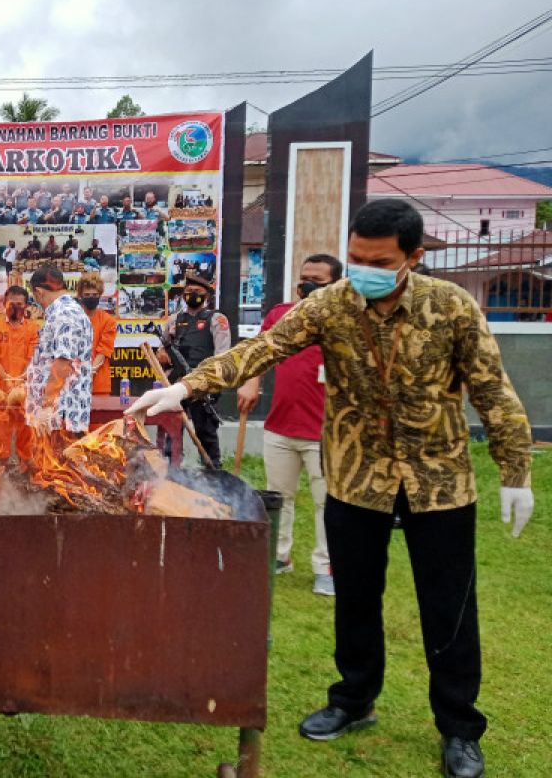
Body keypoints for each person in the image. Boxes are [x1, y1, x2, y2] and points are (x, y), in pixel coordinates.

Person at [127, 199, 535, 778]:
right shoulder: (331, 305)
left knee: (448, 609)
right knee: (357, 600)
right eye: (355, 258)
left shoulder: (451, 308)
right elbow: (260, 349)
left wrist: (515, 471)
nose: (363, 270)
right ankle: (352, 700)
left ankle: (460, 728)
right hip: (356, 477)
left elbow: (493, 391)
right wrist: (187, 387)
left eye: (378, 261)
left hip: (438, 483)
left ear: (413, 258)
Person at [236, 253, 342, 595]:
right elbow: (259, 352)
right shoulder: (280, 315)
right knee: (279, 495)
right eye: (304, 277)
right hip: (280, 426)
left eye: (318, 280)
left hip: (326, 432)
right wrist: (251, 381)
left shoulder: (345, 321)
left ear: (335, 285)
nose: (307, 284)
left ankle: (326, 566)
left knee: (328, 502)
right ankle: (279, 556)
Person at [156, 274, 230, 466]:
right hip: (177, 384)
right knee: (172, 433)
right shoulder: (174, 320)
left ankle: (213, 476)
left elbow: (222, 355)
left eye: (197, 292)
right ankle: (171, 476)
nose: (192, 295)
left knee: (205, 433)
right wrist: (162, 354)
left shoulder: (216, 319)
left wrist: (213, 384)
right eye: (188, 292)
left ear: (206, 295)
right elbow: (162, 349)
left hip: (203, 384)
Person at [25, 264, 94, 437]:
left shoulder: (65, 314)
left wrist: (47, 406)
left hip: (60, 415)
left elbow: (63, 362)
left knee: (58, 462)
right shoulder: (65, 311)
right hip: (58, 412)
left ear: (39, 292)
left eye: (36, 296)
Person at [0, 285, 40, 460]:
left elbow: (34, 359)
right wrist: (7, 378)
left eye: (19, 304)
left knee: (26, 430)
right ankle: (3, 468)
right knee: (2, 430)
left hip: (25, 389)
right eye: (11, 304)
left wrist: (22, 380)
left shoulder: (33, 329)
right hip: (0, 388)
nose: (15, 307)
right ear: (4, 304)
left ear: (26, 306)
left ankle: (26, 469)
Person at [78, 273, 117, 395]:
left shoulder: (108, 320)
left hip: (99, 384)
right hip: (73, 382)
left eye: (94, 295)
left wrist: (89, 372)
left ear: (100, 295)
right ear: (80, 296)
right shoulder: (73, 318)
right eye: (87, 295)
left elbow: (104, 350)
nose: (91, 297)